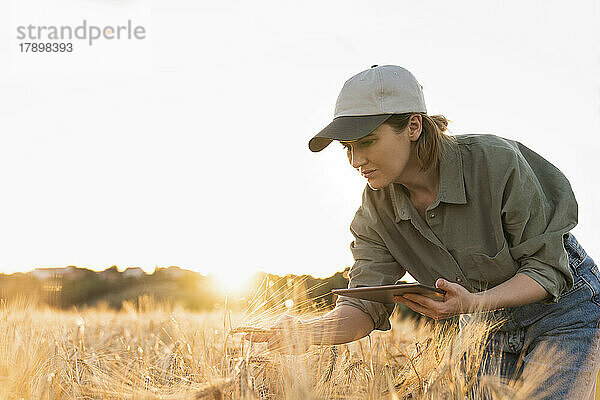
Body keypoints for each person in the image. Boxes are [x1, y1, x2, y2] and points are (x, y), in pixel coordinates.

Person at [248, 65, 600, 399]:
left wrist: (473, 303)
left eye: (367, 141)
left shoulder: (496, 163)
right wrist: (307, 331)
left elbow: (547, 272)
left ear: (413, 126)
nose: (356, 161)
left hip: (564, 310)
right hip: (485, 323)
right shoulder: (375, 210)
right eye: (348, 149)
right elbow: (361, 307)